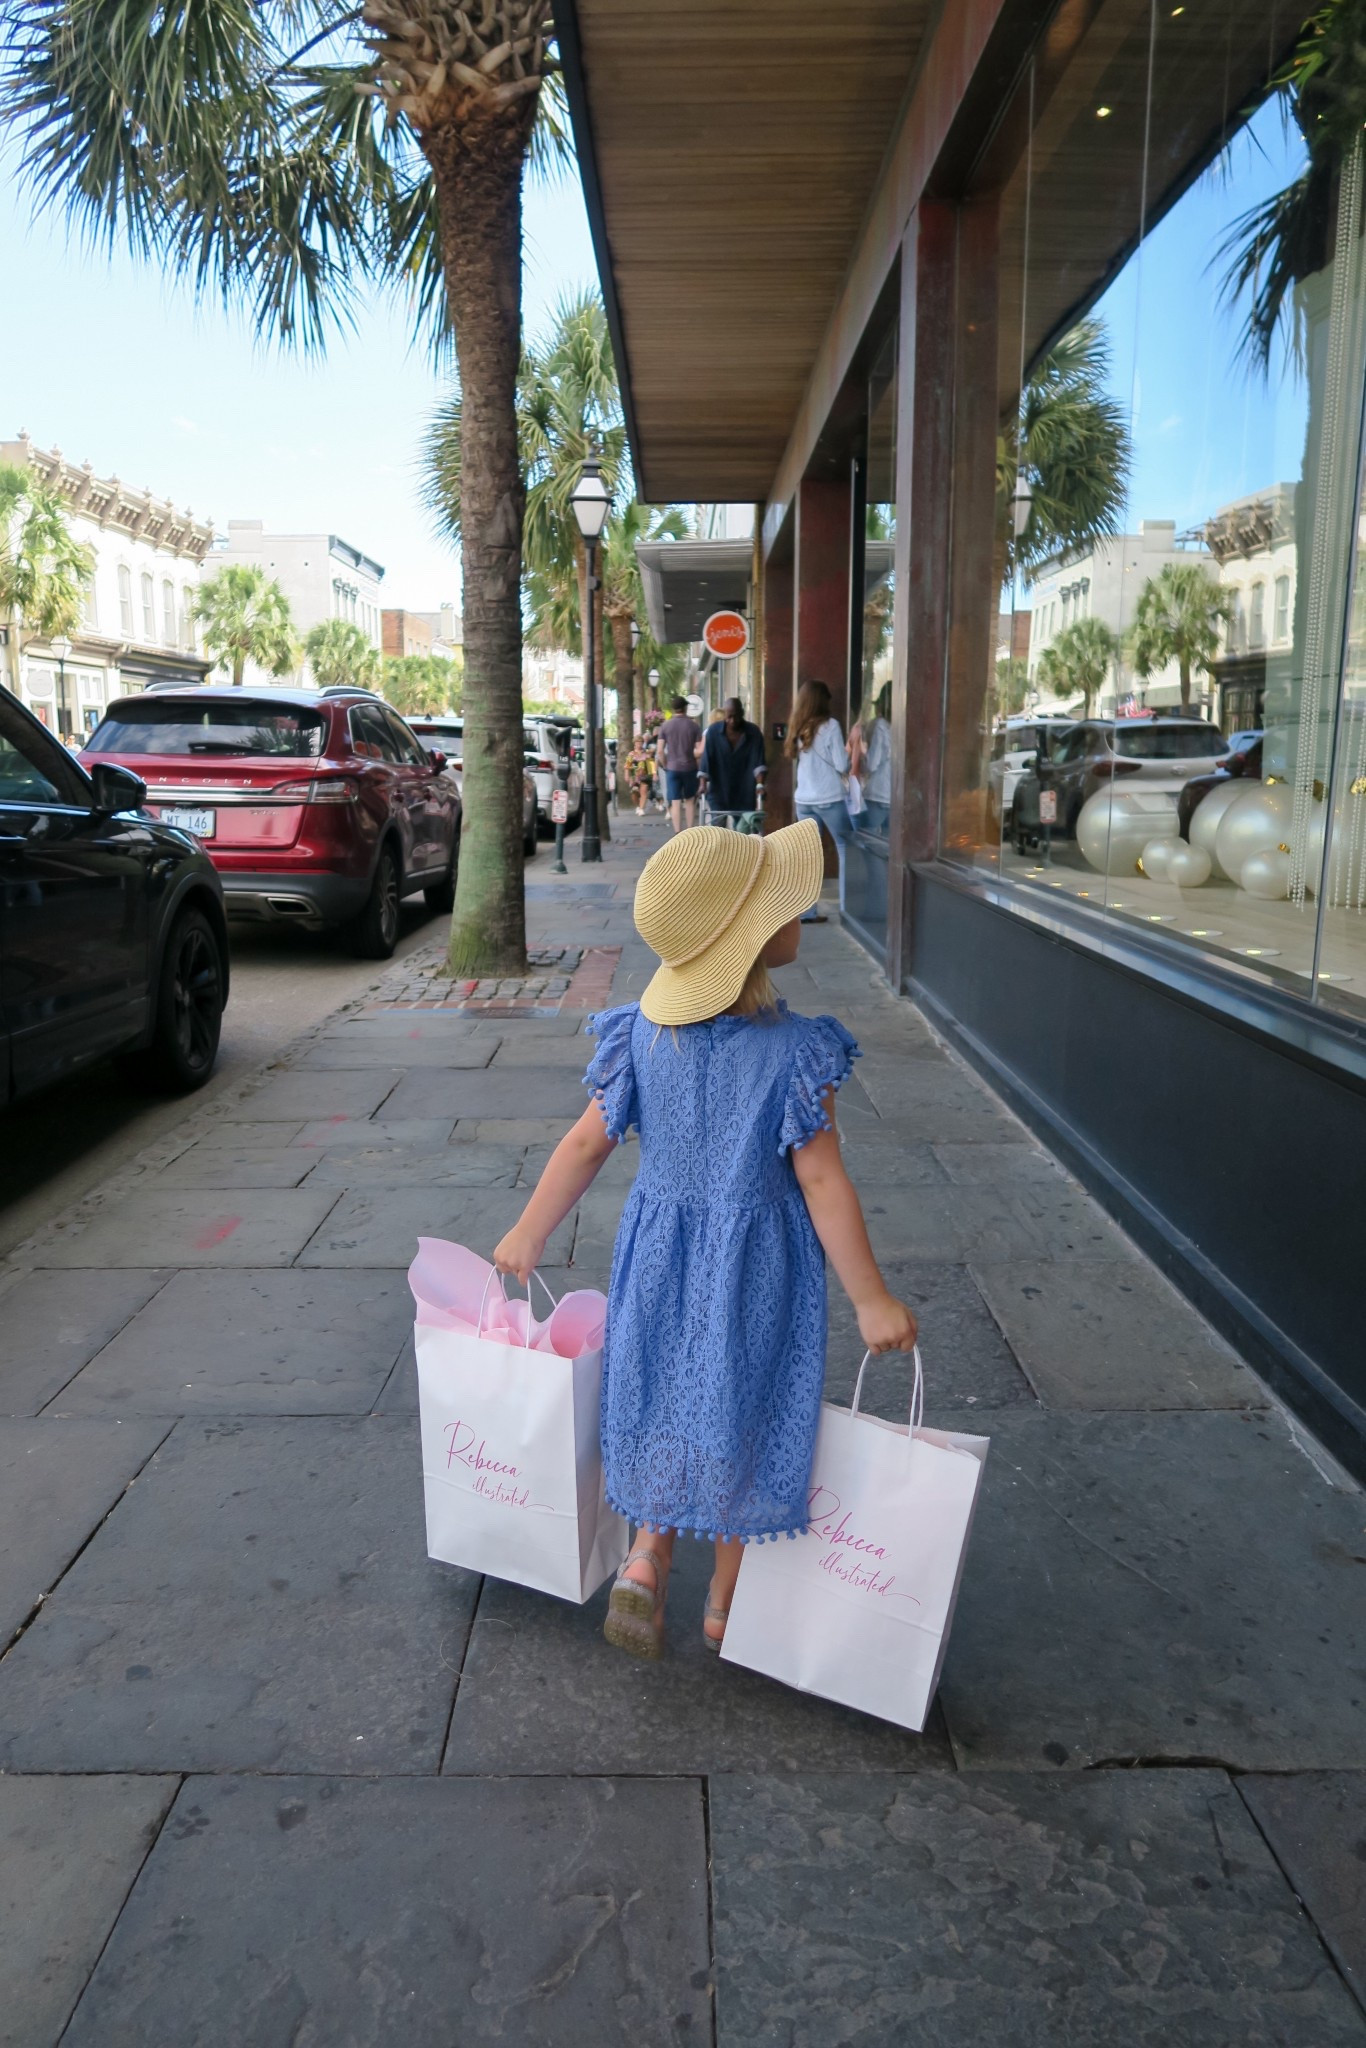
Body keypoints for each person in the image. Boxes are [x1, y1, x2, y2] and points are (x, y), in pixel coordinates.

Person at [494, 821, 918, 1660]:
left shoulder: (641, 1037)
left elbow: (586, 1144)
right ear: (756, 938)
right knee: (748, 1409)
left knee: (663, 1396)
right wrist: (871, 1297)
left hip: (658, 1256)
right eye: (786, 905)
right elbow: (823, 1182)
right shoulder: (797, 1052)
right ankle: (727, 1599)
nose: (802, 911)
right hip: (760, 1265)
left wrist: (526, 1230)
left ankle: (647, 1560)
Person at [785, 678, 851, 922]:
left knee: (808, 856)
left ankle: (807, 912)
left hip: (804, 799)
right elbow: (841, 764)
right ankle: (846, 910)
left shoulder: (797, 725)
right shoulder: (831, 725)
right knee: (844, 849)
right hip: (829, 798)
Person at [700, 695, 766, 828]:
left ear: (742, 713)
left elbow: (758, 762)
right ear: (724, 715)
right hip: (719, 789)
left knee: (743, 832)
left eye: (736, 716)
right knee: (719, 830)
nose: (732, 721)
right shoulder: (713, 732)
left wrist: (760, 785)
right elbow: (707, 760)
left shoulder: (753, 732)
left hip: (745, 789)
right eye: (729, 716)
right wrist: (702, 784)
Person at [656, 694, 704, 832]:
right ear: (685, 708)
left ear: (673, 709)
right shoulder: (694, 726)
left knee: (675, 801)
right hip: (690, 767)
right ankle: (689, 832)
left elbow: (660, 751)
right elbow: (699, 751)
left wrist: (665, 765)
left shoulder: (665, 726)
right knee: (689, 801)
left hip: (672, 768)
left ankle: (677, 832)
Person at [850, 683, 892, 836]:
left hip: (878, 793)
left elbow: (873, 763)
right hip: (896, 795)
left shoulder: (881, 726)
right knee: (888, 846)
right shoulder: (901, 726)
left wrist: (861, 759)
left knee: (868, 841)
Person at [624, 738, 655, 814]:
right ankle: (638, 806)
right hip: (634, 776)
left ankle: (641, 809)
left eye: (641, 742)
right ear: (634, 743)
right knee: (634, 793)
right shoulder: (631, 754)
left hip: (645, 775)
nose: (639, 744)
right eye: (637, 742)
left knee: (643, 791)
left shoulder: (647, 753)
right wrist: (626, 775)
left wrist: (654, 774)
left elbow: (652, 765)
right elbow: (627, 766)